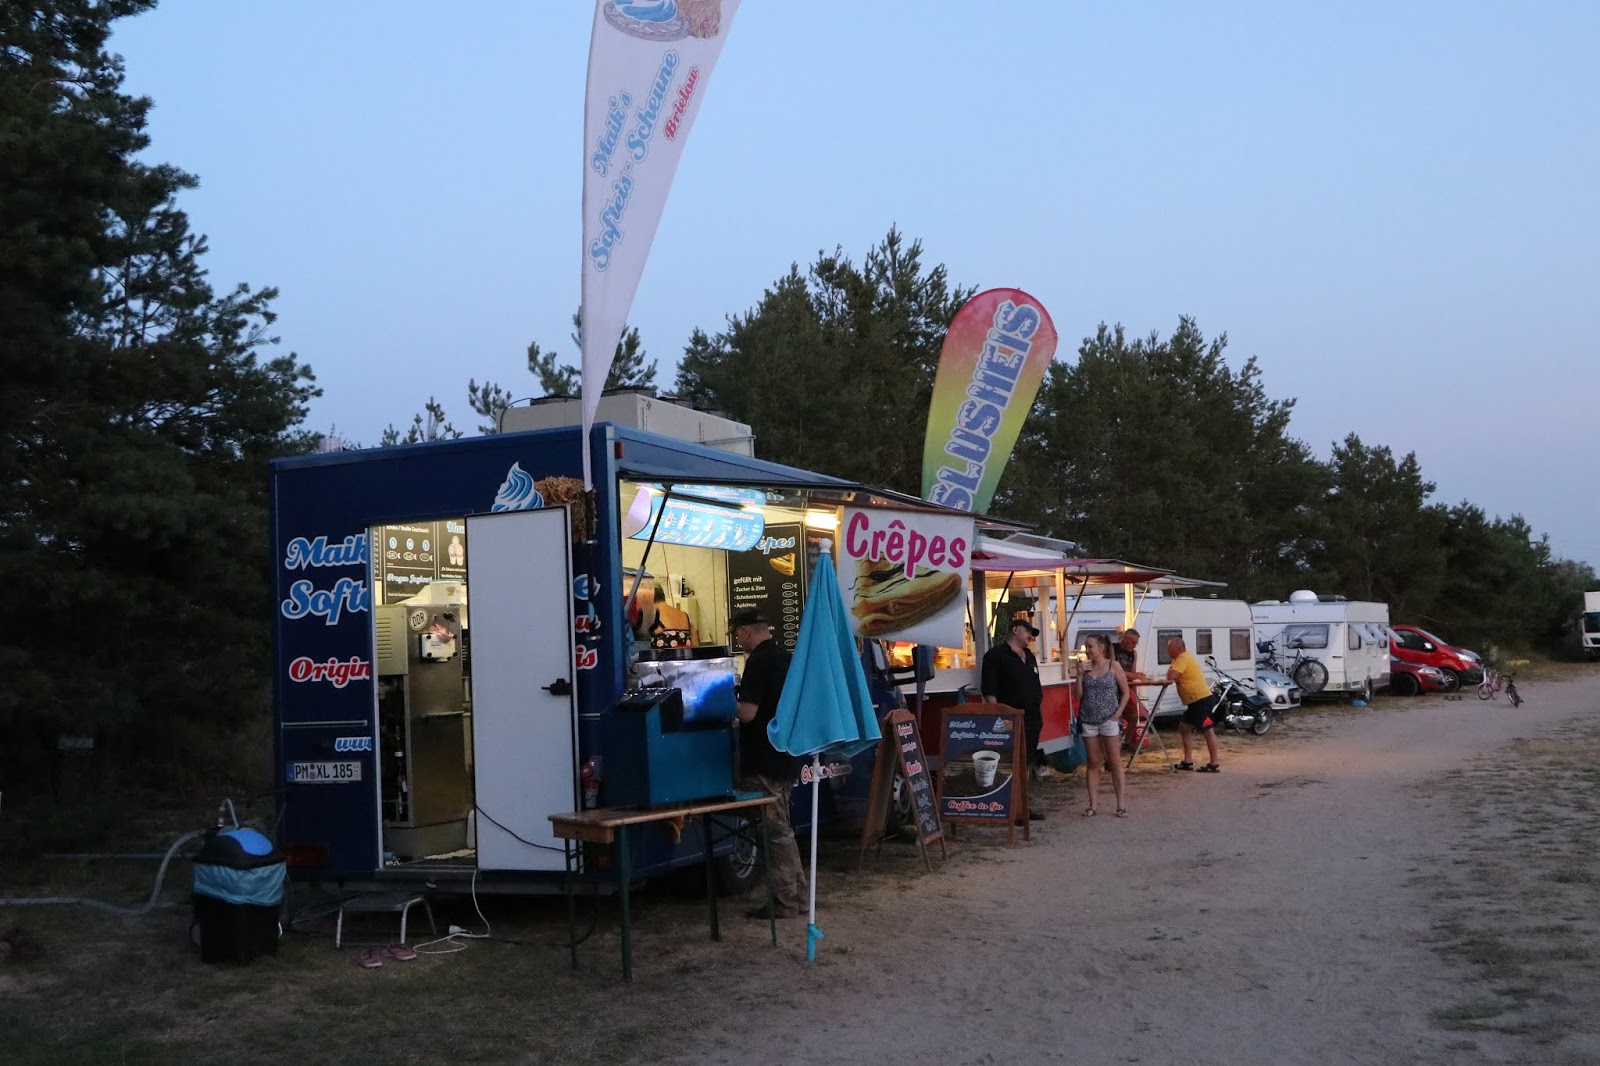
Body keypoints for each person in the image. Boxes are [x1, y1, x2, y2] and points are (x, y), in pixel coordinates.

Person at [731, 606, 806, 919]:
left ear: (746, 631)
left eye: (737, 635)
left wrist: (723, 703)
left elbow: (748, 713)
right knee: (783, 830)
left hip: (763, 759)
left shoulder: (758, 662)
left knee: (773, 833)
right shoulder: (786, 658)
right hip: (785, 755)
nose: (738, 641)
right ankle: (799, 897)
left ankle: (786, 901)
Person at [980, 615, 1046, 821]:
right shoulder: (996, 655)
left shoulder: (1029, 656)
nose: (1030, 637)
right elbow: (989, 689)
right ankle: (1007, 806)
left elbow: (1035, 683)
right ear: (1016, 630)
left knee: (1027, 760)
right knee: (1010, 761)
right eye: (1028, 632)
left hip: (1032, 716)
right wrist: (996, 714)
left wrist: (1038, 701)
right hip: (1008, 717)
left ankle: (1022, 806)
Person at [1076, 633, 1131, 816]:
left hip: (1109, 719)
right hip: (1088, 719)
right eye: (1086, 647)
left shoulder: (1113, 666)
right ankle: (1092, 805)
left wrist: (1117, 714)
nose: (1087, 650)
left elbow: (1125, 692)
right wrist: (1079, 676)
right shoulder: (1086, 668)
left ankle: (1121, 805)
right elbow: (1078, 696)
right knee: (1093, 762)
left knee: (1114, 762)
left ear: (1101, 647)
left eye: (1090, 646)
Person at [1166, 636, 1221, 772]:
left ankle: (1213, 763)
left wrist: (1172, 672)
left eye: (1170, 648)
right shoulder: (1180, 659)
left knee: (1207, 729)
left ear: (1179, 648)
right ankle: (1188, 761)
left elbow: (1171, 676)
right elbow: (1173, 675)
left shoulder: (1183, 658)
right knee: (1184, 727)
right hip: (1194, 701)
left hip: (1200, 699)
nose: (1168, 651)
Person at [1112, 629, 1143, 744]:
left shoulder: (1133, 654)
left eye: (1136, 643)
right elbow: (1113, 670)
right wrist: (1134, 675)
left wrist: (1133, 676)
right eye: (1132, 642)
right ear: (1125, 639)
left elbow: (1132, 674)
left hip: (1124, 689)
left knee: (1134, 716)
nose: (1134, 645)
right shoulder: (1113, 649)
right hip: (1112, 689)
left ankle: (1127, 742)